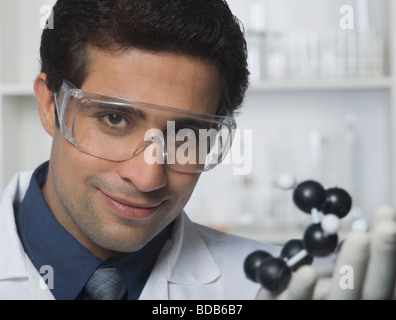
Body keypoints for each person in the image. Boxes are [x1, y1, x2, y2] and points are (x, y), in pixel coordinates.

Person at [0, 0, 395, 300]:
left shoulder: (269, 284)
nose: (148, 176)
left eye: (186, 133)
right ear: (51, 106)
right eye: (115, 119)